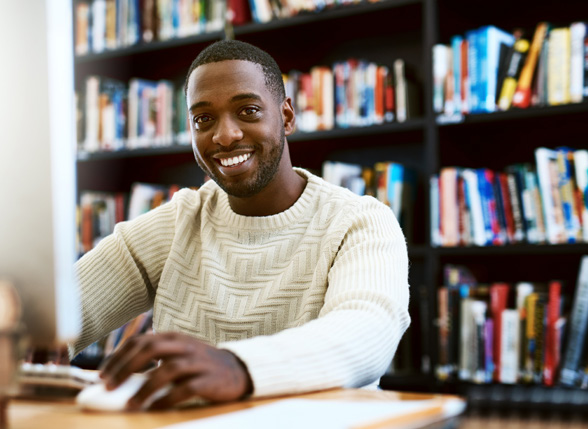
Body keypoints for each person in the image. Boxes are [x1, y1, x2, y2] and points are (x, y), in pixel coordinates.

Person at [71, 39, 411, 410]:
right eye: (203, 119)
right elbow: (67, 307)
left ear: (286, 116)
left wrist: (240, 367)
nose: (225, 135)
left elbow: (367, 332)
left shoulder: (360, 221)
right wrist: (33, 338)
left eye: (247, 111)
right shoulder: (179, 221)